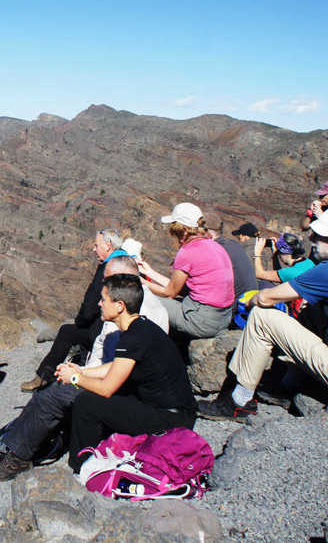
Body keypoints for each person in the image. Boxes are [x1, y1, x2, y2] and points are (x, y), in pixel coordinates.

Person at [198, 208, 328, 421]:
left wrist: (251, 300)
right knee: (311, 311)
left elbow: (267, 299)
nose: (311, 239)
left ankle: (238, 402)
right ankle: (288, 385)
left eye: (317, 236)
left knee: (262, 318)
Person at [0, 257, 145, 481]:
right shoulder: (122, 309)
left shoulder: (139, 320)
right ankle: (13, 442)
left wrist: (79, 377)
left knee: (52, 396)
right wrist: (79, 371)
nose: (102, 287)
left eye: (109, 279)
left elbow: (119, 372)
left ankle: (20, 457)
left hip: (114, 386)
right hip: (100, 374)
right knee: (46, 391)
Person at [54, 274, 197, 474]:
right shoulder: (142, 327)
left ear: (120, 305)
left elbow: (106, 389)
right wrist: (82, 370)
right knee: (105, 397)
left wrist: (75, 378)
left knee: (87, 403)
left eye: (104, 299)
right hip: (177, 412)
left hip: (170, 421)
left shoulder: (132, 338)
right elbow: (116, 366)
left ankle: (82, 466)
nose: (99, 304)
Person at [20, 229, 123, 392]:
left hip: (105, 330)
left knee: (67, 331)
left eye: (96, 245)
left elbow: (90, 304)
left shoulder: (108, 267)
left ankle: (44, 377)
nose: (93, 249)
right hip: (116, 325)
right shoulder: (124, 262)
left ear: (108, 246)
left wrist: (80, 321)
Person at [138, 203, 234, 339]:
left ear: (182, 230)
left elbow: (169, 292)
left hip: (202, 321)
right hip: (223, 318)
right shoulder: (214, 246)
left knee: (141, 298)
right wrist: (150, 272)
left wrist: (140, 282)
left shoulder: (188, 251)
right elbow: (176, 286)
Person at [207, 224, 257, 317]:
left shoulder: (244, 248)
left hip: (238, 308)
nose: (239, 239)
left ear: (244, 236)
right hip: (251, 300)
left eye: (239, 237)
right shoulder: (237, 246)